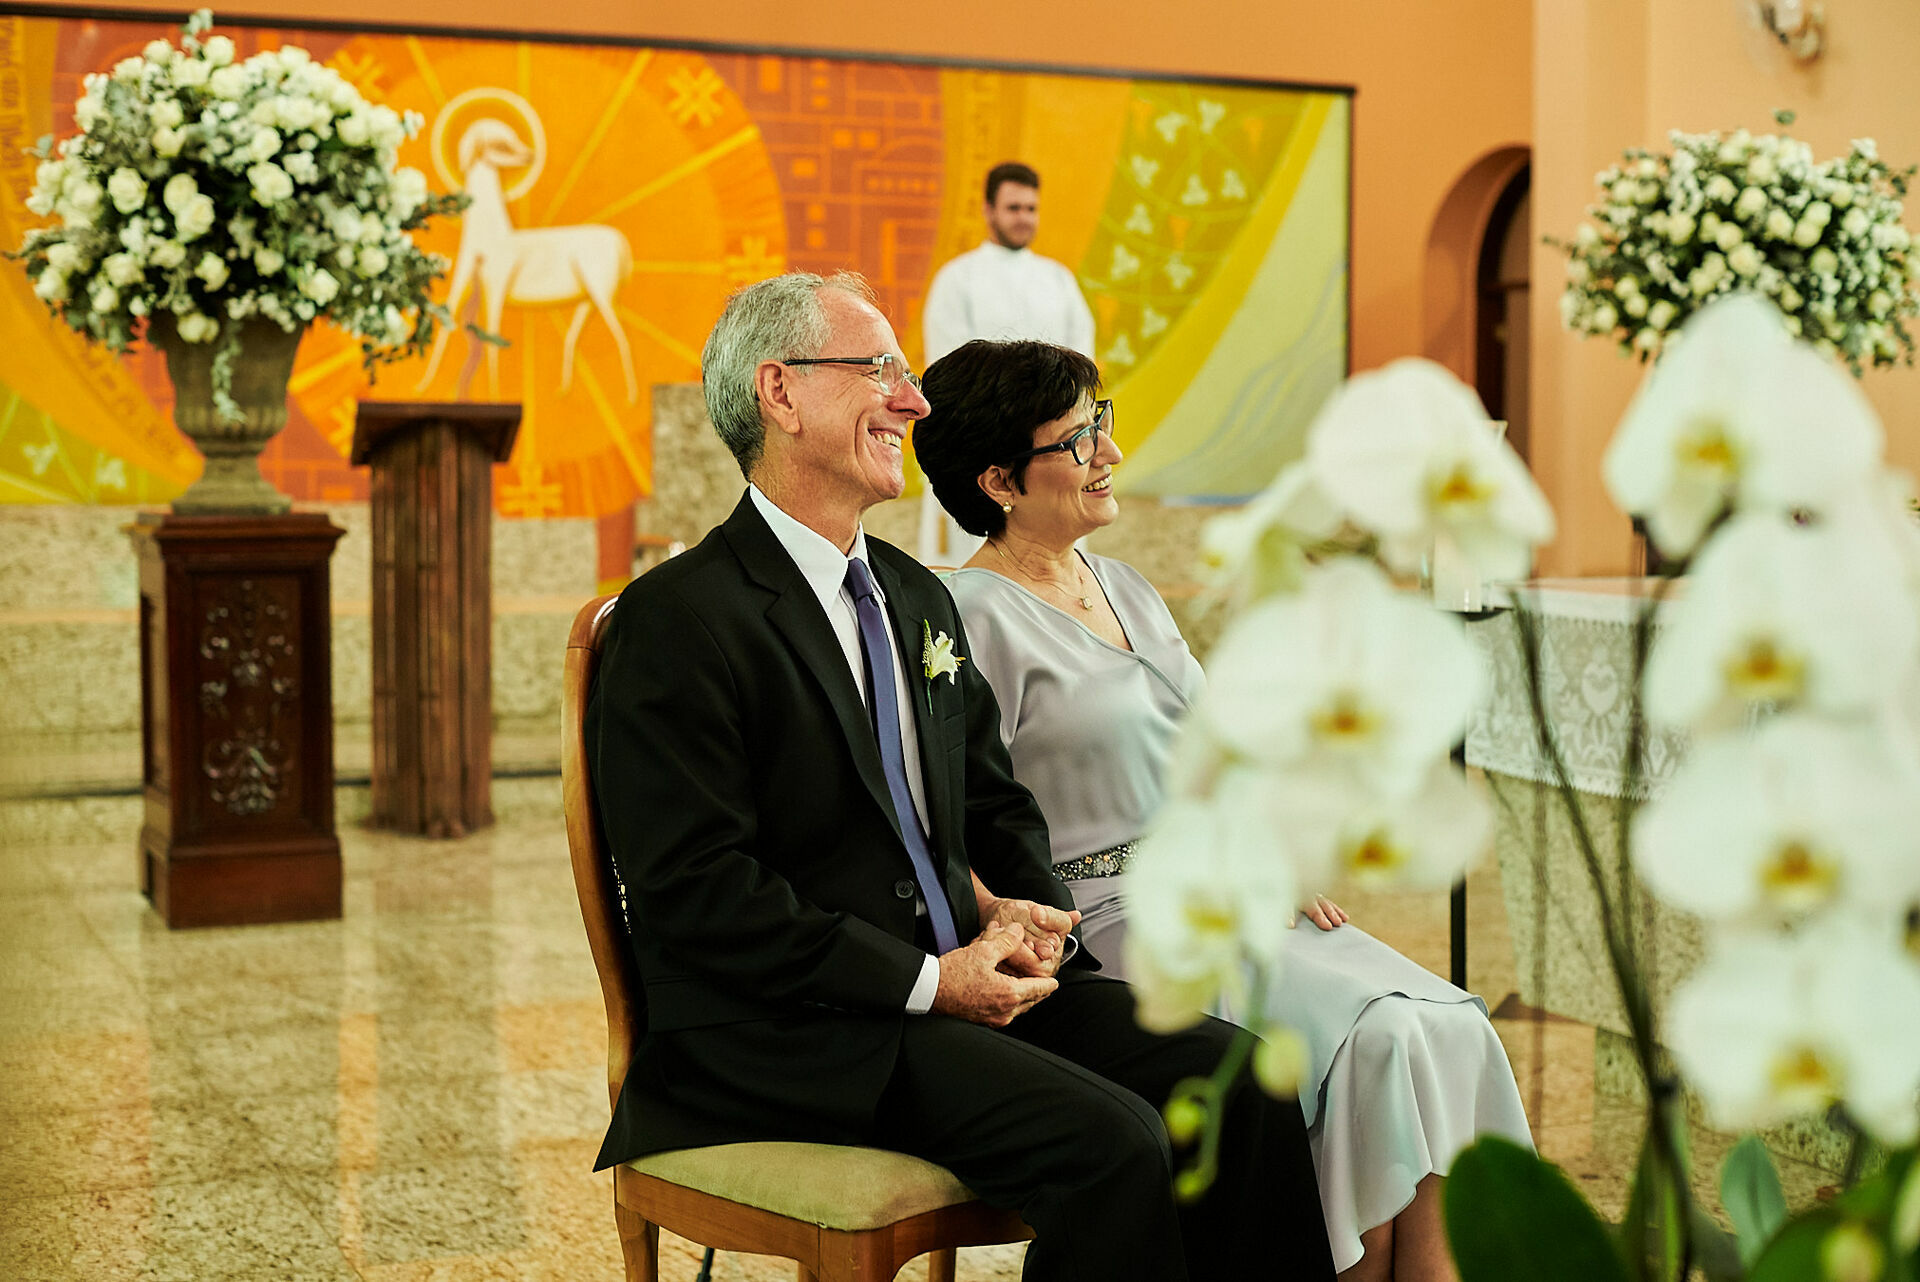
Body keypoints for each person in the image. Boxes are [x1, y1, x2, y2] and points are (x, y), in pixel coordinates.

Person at [585, 271, 1336, 1282]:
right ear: (781, 392)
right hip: (791, 1028)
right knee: (1112, 1143)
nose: (913, 400)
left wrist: (1026, 912)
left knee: (1245, 1080)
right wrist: (929, 982)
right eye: (880, 370)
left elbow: (991, 799)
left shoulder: (912, 594)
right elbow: (697, 892)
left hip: (952, 981)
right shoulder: (680, 619)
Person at [914, 338, 1535, 1282]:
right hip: (1115, 924)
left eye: (1101, 423)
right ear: (999, 480)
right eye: (1077, 441)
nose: (1110, 454)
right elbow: (950, 815)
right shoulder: (968, 616)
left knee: (1446, 1027)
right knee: (1377, 1039)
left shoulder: (1125, 586)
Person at [916, 162, 1096, 566]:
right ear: (988, 210)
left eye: (1031, 209)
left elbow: (1080, 371)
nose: (1023, 218)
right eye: (1013, 208)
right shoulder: (957, 280)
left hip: (1054, 446)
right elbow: (952, 372)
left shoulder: (1059, 281)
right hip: (984, 447)